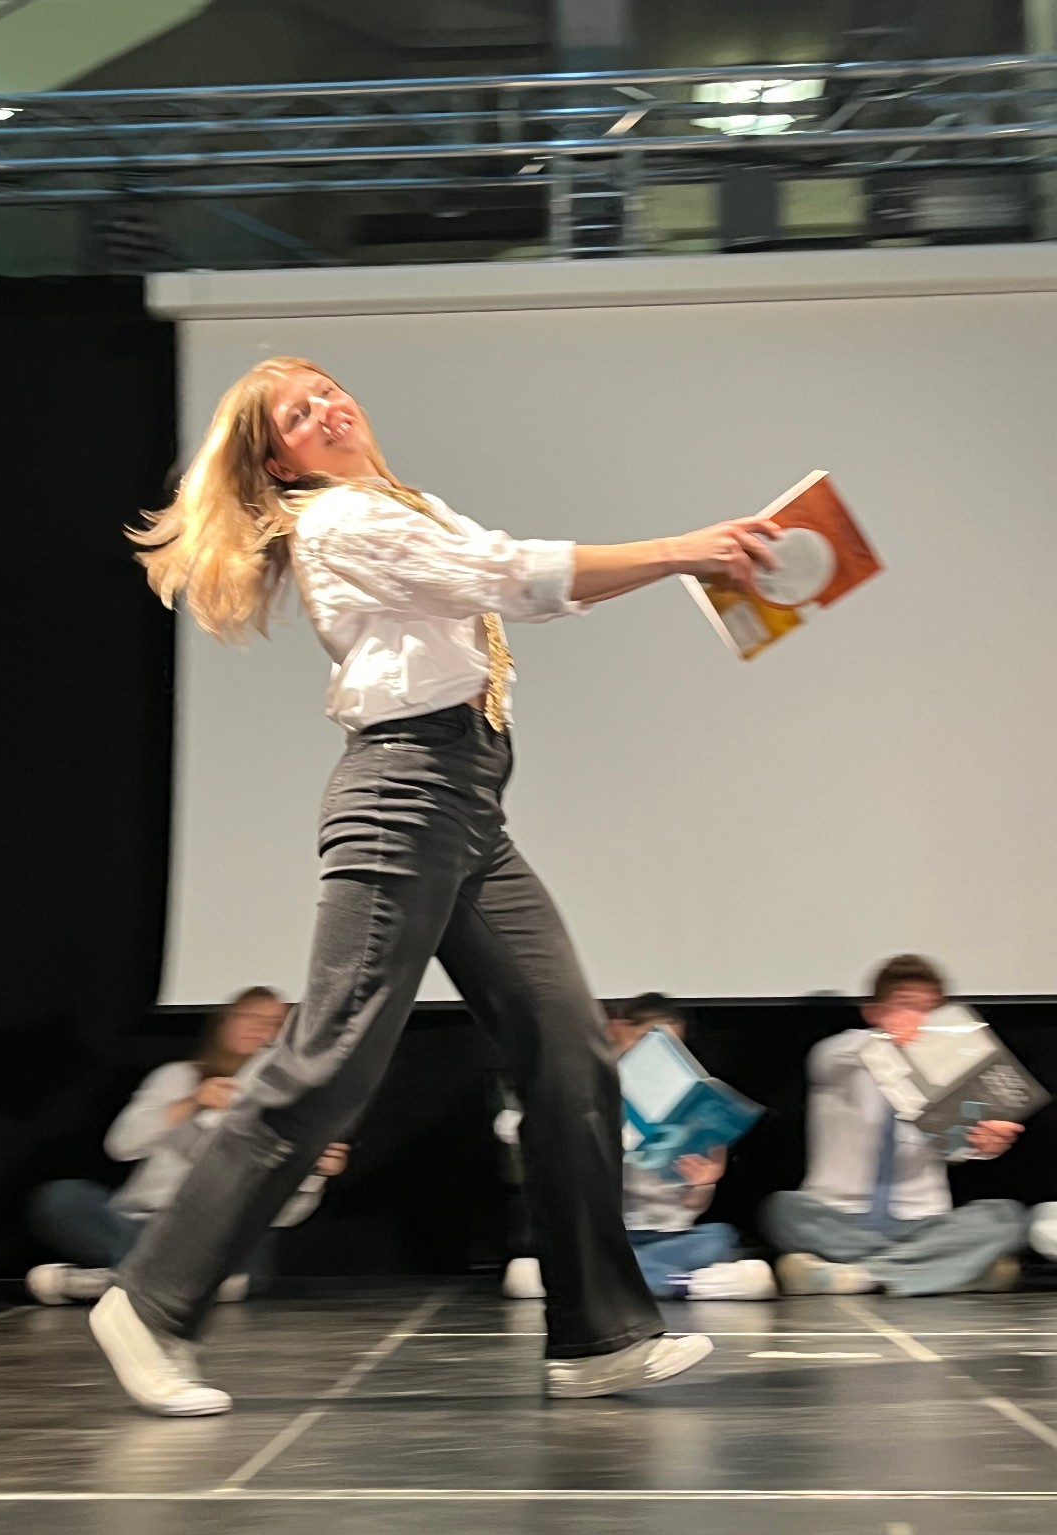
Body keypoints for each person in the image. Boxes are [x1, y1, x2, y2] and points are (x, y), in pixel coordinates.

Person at [89, 354, 781, 1415]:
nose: (327, 407)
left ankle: (598, 1335)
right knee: (330, 1060)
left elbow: (518, 590)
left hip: (467, 804)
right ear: (280, 461)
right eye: (297, 413)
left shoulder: (405, 505)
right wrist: (685, 549)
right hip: (402, 795)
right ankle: (149, 1302)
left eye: (326, 389)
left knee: (568, 1052)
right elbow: (511, 577)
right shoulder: (340, 521)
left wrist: (686, 562)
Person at [27, 988, 349, 1304]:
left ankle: (114, 1282)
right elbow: (121, 1145)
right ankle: (178, 1286)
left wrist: (315, 1173)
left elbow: (284, 1215)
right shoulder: (177, 1076)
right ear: (225, 1022)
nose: (259, 1028)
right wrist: (191, 1103)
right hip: (144, 1225)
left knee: (251, 1253)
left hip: (214, 1235)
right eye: (249, 1016)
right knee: (60, 1199)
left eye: (274, 1023)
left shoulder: (287, 1104)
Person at [763, 955, 1027, 1296]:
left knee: (1005, 1217)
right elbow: (830, 1055)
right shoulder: (841, 1058)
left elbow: (958, 1148)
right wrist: (888, 1038)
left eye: (930, 1009)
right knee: (781, 1210)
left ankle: (862, 1276)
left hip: (923, 1222)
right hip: (839, 1217)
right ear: (873, 1011)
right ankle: (950, 1271)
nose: (919, 1018)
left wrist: (984, 1145)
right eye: (906, 1005)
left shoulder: (952, 1073)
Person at [498, 993, 774, 1301]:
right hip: (609, 1234)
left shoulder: (691, 1108)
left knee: (719, 1238)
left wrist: (703, 1184)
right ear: (618, 1030)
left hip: (670, 1239)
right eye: (649, 1042)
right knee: (578, 1251)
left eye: (673, 1049)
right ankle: (688, 1284)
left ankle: (599, 1281)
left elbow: (690, 1207)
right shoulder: (588, 1087)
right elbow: (508, 1125)